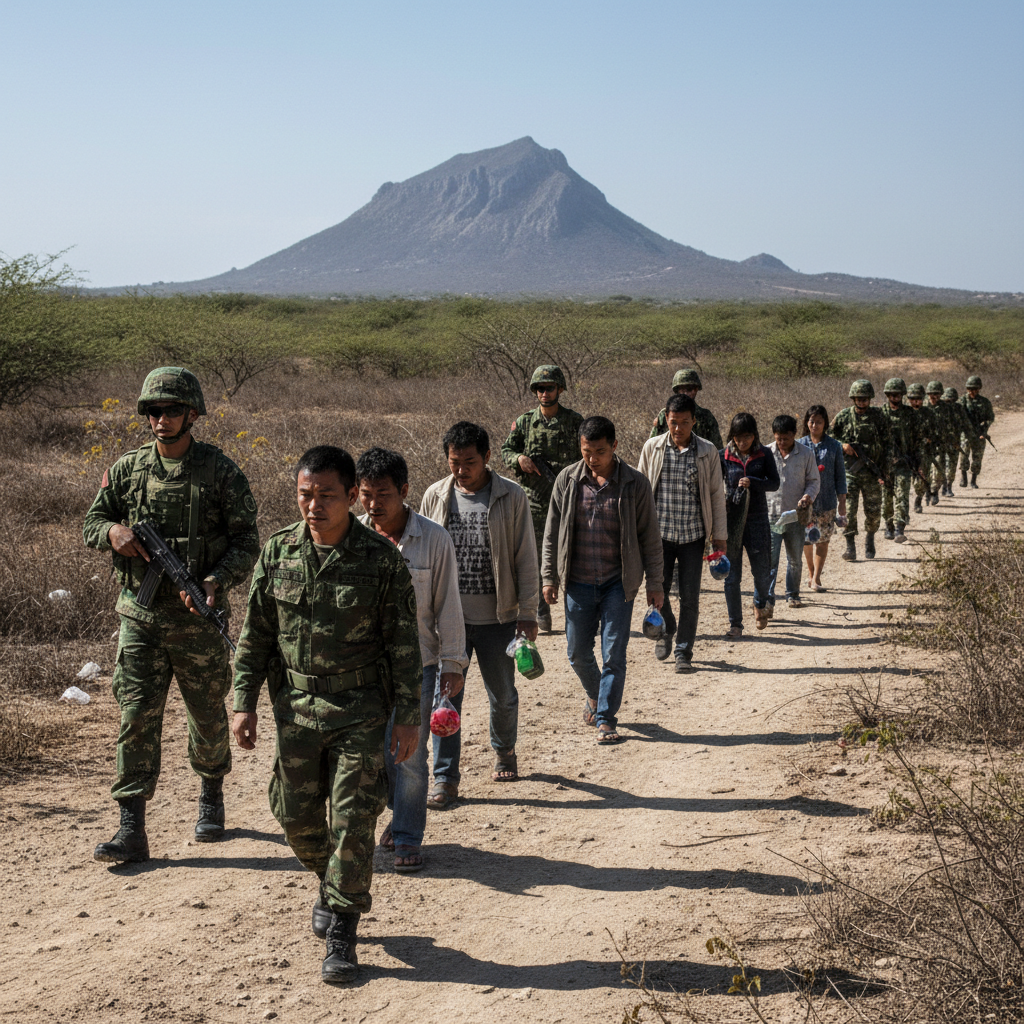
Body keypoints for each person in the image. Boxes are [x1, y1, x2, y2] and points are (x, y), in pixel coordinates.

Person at [231, 445, 422, 984]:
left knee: (352, 819)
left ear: (349, 496)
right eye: (305, 495)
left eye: (327, 496)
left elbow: (404, 645)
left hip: (360, 710)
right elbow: (255, 636)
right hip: (295, 708)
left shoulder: (380, 560)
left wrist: (408, 717)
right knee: (294, 815)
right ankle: (331, 878)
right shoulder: (278, 553)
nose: (314, 506)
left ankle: (343, 930)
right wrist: (243, 702)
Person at [83, 367, 259, 864]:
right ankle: (131, 826)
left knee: (206, 715)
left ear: (193, 413)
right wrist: (113, 533)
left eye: (172, 410)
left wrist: (214, 581)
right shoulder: (127, 470)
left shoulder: (220, 471)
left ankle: (210, 796)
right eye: (154, 411)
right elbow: (93, 521)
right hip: (140, 619)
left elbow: (248, 540)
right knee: (136, 716)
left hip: (198, 620)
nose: (162, 420)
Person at [356, 447, 467, 874]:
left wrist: (453, 664)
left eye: (382, 494)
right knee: (376, 752)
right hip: (362, 667)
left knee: (411, 753)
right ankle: (398, 809)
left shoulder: (433, 539)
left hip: (417, 665)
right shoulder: (353, 536)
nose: (372, 504)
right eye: (365, 494)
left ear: (404, 491)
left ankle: (406, 834)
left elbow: (448, 606)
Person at [421, 421, 539, 801]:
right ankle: (445, 777)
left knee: (502, 694)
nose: (460, 470)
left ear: (487, 457)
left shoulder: (511, 496)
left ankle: (504, 751)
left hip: (498, 619)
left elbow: (525, 558)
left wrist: (528, 613)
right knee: (445, 700)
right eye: (454, 462)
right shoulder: (435, 497)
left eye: (469, 461)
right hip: (447, 623)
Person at [541, 416, 663, 744]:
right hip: (577, 581)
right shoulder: (568, 480)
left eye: (600, 451)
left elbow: (650, 537)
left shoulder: (635, 484)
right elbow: (551, 532)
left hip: (617, 582)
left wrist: (655, 583)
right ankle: (596, 694)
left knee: (614, 653)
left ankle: (606, 718)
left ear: (615, 447)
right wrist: (549, 576)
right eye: (586, 451)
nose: (592, 458)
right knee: (577, 652)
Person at [638, 394, 727, 673]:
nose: (678, 429)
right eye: (674, 422)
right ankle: (665, 630)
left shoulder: (707, 451)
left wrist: (719, 536)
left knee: (690, 596)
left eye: (684, 423)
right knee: (657, 592)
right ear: (666, 419)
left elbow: (715, 494)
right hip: (658, 536)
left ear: (694, 422)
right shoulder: (652, 448)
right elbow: (639, 493)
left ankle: (683, 651)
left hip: (693, 535)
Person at [501, 365, 584, 633]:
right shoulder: (525, 422)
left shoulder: (574, 421)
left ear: (560, 389)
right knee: (535, 557)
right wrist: (519, 460)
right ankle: (541, 610)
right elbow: (506, 450)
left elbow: (587, 455)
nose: (544, 393)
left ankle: (578, 611)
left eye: (549, 388)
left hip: (569, 498)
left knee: (573, 554)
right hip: (534, 500)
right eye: (539, 388)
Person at [719, 412, 779, 636]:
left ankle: (759, 602)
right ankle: (735, 624)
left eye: (746, 437)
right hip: (732, 523)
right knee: (731, 577)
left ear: (754, 435)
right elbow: (714, 485)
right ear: (732, 436)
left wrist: (753, 482)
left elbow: (774, 483)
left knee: (762, 573)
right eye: (737, 437)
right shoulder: (722, 456)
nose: (742, 442)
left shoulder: (764, 455)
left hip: (757, 521)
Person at [830, 379, 889, 562]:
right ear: (853, 398)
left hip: (872, 472)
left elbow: (888, 444)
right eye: (858, 398)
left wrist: (885, 471)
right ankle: (850, 546)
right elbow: (829, 437)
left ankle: (870, 538)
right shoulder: (843, 416)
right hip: (849, 472)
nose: (862, 402)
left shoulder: (879, 416)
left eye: (865, 399)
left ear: (870, 399)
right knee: (848, 510)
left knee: (873, 511)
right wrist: (843, 445)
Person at [766, 416, 820, 610]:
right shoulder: (766, 453)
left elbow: (814, 480)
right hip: (771, 516)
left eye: (786, 439)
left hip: (796, 516)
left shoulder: (806, 454)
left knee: (795, 559)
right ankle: (768, 598)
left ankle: (793, 594)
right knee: (770, 561)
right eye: (778, 438)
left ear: (794, 435)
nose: (782, 443)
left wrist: (808, 497)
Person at [797, 406, 847, 593]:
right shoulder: (799, 445)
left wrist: (842, 502)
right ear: (806, 423)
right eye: (811, 421)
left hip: (827, 502)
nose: (814, 425)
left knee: (823, 539)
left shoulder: (834, 446)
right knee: (806, 540)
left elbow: (840, 477)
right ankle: (810, 573)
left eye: (818, 421)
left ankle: (817, 577)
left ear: (825, 423)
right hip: (805, 503)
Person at [880, 378, 921, 543]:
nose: (895, 397)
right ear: (888, 395)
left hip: (904, 463)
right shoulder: (880, 414)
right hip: (885, 465)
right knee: (887, 499)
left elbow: (917, 440)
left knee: (902, 495)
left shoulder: (910, 414)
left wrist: (918, 463)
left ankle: (899, 527)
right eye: (892, 395)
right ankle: (888, 524)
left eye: (898, 395)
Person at [650, 368, 723, 449]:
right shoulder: (665, 415)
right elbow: (652, 445)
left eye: (689, 389)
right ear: (677, 391)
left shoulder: (706, 417)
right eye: (682, 389)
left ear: (696, 390)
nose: (686, 393)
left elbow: (717, 449)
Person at [958, 375, 995, 488]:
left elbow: (990, 417)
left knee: (977, 457)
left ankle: (973, 480)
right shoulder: (962, 401)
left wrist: (984, 428)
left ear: (979, 389)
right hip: (966, 433)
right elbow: (957, 416)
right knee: (964, 456)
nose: (972, 391)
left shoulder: (984, 402)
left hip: (979, 433)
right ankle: (963, 478)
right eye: (969, 389)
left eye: (974, 389)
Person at [905, 384, 936, 512]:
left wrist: (930, 439)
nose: (915, 401)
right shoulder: (904, 413)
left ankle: (918, 500)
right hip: (906, 451)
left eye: (918, 399)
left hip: (923, 452)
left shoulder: (929, 413)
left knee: (920, 479)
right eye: (912, 399)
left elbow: (936, 431)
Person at [942, 387, 973, 493]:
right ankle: (939, 487)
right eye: (947, 401)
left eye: (952, 401)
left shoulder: (959, 409)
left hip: (954, 443)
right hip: (940, 443)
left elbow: (966, 425)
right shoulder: (939, 409)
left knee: (951, 466)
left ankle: (948, 487)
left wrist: (970, 436)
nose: (949, 403)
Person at [925, 381, 948, 502]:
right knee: (925, 471)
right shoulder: (922, 406)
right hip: (924, 445)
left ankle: (934, 491)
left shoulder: (945, 408)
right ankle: (927, 491)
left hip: (939, 445)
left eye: (937, 394)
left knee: (938, 471)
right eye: (931, 394)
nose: (934, 397)